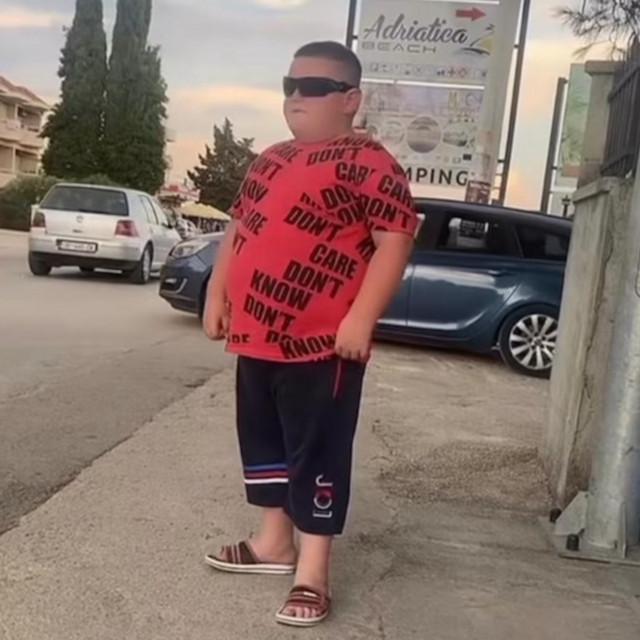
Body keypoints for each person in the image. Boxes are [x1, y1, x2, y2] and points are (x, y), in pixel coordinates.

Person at [203, 41, 418, 628]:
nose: (298, 96)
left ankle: (313, 570)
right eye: (290, 85)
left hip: (323, 343)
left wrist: (360, 318)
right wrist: (219, 293)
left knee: (317, 448)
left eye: (315, 87)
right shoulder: (269, 160)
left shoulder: (369, 161)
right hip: (257, 337)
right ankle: (273, 543)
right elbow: (240, 228)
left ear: (350, 99)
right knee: (263, 439)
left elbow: (394, 239)